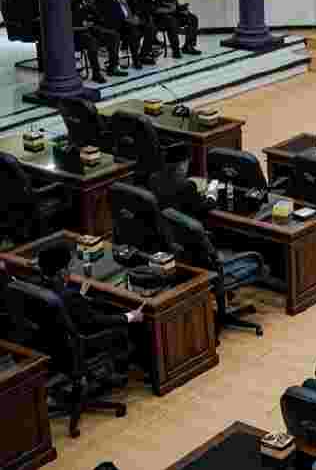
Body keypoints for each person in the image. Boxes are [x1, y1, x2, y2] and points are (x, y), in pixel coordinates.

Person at [36, 243, 143, 372]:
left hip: (53, 346)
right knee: (126, 320)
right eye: (70, 266)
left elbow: (72, 308)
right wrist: (130, 316)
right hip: (85, 344)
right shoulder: (69, 296)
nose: (71, 270)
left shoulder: (37, 287)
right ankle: (133, 364)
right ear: (62, 272)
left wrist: (80, 297)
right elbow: (94, 322)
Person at [131, 0, 201, 59]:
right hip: (157, 18)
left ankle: (189, 46)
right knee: (171, 21)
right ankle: (175, 50)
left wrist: (180, 8)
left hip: (173, 12)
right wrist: (165, 10)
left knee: (192, 18)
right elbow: (146, 8)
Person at [70, 0, 126, 82]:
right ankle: (96, 73)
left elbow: (95, 16)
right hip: (76, 34)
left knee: (114, 35)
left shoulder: (82, 2)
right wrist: (84, 27)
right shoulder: (64, 7)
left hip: (91, 28)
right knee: (92, 42)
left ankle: (113, 67)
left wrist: (91, 9)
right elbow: (66, 28)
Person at [148, 144, 214, 221]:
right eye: (187, 161)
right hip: (183, 223)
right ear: (182, 165)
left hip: (163, 222)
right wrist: (212, 191)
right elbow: (204, 209)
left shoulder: (153, 178)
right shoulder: (189, 185)